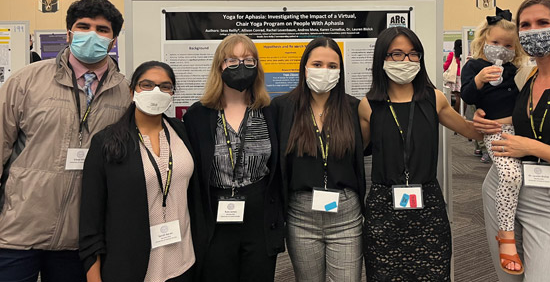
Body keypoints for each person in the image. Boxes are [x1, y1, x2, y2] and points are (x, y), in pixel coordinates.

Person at [0, 0, 131, 282]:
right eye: (84, 26)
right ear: (69, 33)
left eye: (102, 30)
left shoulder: (125, 93)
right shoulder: (27, 81)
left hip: (79, 240)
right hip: (17, 231)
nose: (92, 34)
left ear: (113, 39)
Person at [474, 0, 550, 282]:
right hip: (504, 188)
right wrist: (487, 122)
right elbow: (528, 121)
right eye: (524, 25)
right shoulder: (526, 78)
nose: (532, 31)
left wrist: (534, 147)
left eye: (542, 23)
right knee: (509, 278)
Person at [358, 26, 480, 281]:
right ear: (382, 58)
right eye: (397, 54)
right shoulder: (368, 105)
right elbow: (354, 152)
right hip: (383, 207)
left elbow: (470, 131)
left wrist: (484, 116)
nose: (407, 60)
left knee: (432, 274)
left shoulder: (434, 98)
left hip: (428, 205)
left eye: (413, 54)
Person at [79, 61, 206, 282]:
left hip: (184, 262)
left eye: (165, 86)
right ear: (132, 91)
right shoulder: (107, 143)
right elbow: (91, 216)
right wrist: (93, 276)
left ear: (172, 93)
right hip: (132, 267)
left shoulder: (182, 133)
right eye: (147, 85)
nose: (156, 91)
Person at [183, 34, 285, 282]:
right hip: (215, 215)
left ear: (257, 67)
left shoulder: (270, 111)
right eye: (233, 60)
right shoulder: (198, 115)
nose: (241, 66)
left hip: (260, 213)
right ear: (220, 65)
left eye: (249, 61)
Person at [272, 37, 365, 282]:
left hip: (345, 214)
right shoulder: (282, 107)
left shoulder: (354, 108)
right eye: (317, 64)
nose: (325, 71)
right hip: (301, 214)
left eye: (332, 66)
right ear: (304, 67)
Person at [460, 7, 526, 275]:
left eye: (508, 45)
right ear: (484, 40)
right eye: (496, 43)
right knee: (510, 176)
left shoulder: (515, 69)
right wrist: (478, 79)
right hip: (496, 131)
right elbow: (466, 97)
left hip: (521, 130)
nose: (501, 49)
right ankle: (505, 233)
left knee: (525, 178)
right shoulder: (474, 66)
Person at [443, 39, 462, 113]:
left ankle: (455, 113)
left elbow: (446, 66)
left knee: (456, 96)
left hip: (454, 77)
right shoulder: (465, 54)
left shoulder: (452, 54)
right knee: (461, 98)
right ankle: (462, 114)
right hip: (462, 77)